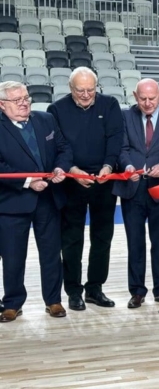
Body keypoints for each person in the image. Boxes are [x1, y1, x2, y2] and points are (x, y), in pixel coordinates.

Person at [48, 67, 123, 310]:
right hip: (72, 182)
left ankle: (95, 289)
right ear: (70, 88)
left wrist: (108, 166)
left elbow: (115, 139)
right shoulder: (56, 110)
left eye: (91, 90)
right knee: (71, 239)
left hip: (103, 180)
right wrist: (73, 170)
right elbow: (57, 146)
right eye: (80, 90)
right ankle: (73, 291)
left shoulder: (110, 105)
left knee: (102, 237)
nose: (86, 94)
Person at [0, 81, 73, 322]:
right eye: (17, 100)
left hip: (48, 199)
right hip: (12, 202)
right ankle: (12, 303)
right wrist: (28, 181)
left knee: (51, 254)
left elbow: (64, 148)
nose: (24, 103)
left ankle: (53, 301)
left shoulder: (46, 120)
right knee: (13, 257)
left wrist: (61, 168)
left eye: (26, 98)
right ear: (2, 104)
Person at [112, 79, 159, 309]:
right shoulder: (124, 116)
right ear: (135, 96)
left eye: (152, 98)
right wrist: (128, 166)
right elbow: (120, 149)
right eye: (143, 99)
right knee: (135, 243)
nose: (148, 103)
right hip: (132, 189)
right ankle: (137, 291)